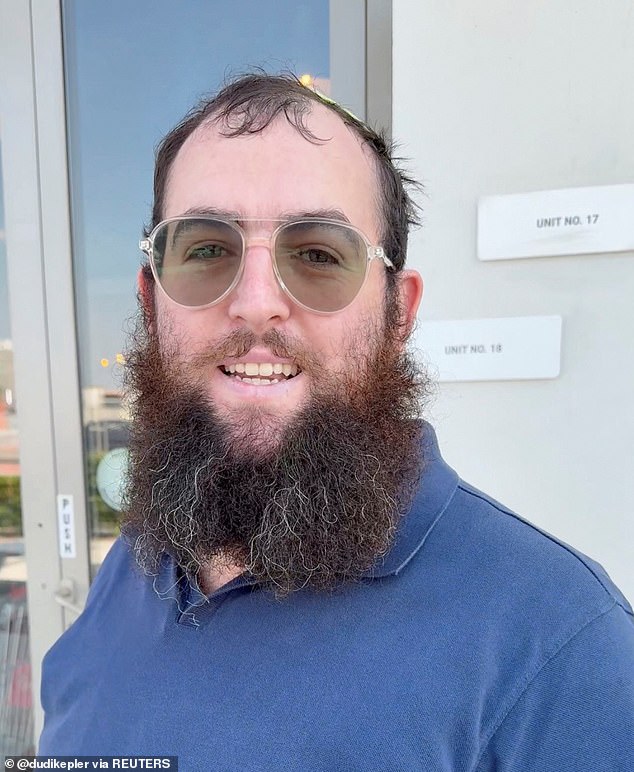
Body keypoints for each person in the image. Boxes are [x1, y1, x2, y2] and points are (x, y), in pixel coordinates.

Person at [39, 73, 634, 770]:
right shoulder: (134, 564)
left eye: (319, 254)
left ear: (398, 315)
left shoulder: (560, 645)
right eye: (205, 250)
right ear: (150, 301)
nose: (255, 302)